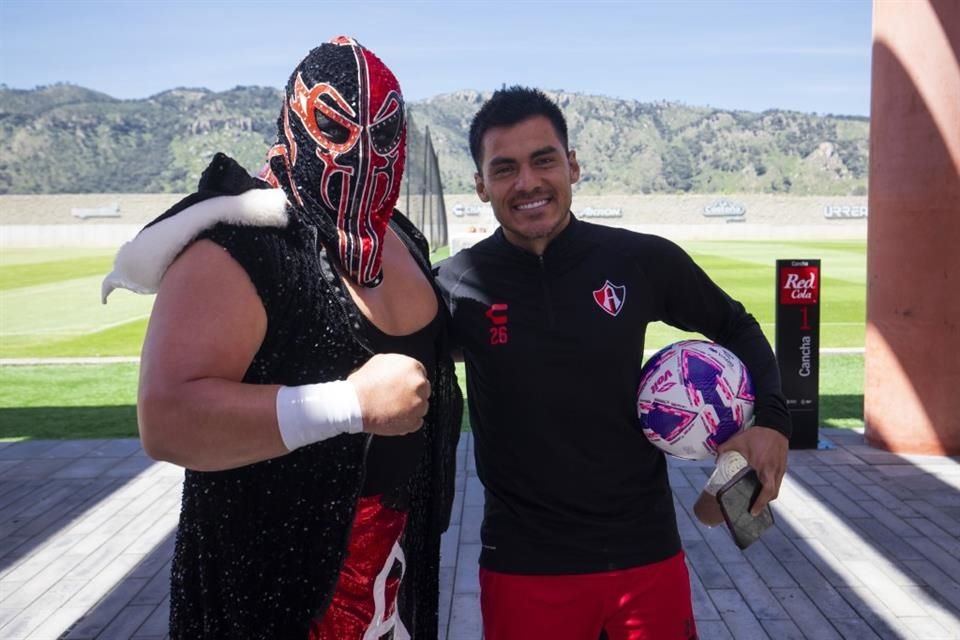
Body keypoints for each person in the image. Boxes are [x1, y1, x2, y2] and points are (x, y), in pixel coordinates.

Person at [101, 36, 462, 639]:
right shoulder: (242, 245)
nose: (365, 154)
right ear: (297, 123)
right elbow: (166, 419)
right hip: (274, 598)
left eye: (386, 131)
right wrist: (349, 404)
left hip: (393, 584)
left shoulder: (400, 237)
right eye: (337, 127)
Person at [434, 86, 791, 640]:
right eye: (504, 169)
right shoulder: (457, 285)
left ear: (573, 166)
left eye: (544, 160)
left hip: (644, 553)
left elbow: (736, 325)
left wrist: (770, 420)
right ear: (481, 186)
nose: (527, 182)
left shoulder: (638, 259)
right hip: (523, 564)